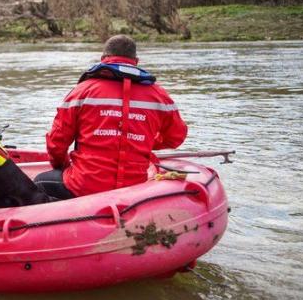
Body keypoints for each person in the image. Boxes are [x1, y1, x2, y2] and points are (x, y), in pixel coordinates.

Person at [35, 35, 188, 199]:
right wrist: (141, 140)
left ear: (103, 59)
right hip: (136, 188)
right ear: (136, 61)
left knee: (38, 182)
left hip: (84, 185)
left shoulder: (82, 92)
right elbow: (176, 137)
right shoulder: (160, 96)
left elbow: (56, 143)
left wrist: (62, 167)